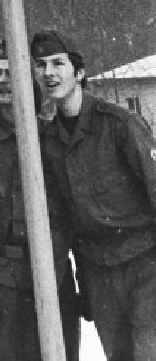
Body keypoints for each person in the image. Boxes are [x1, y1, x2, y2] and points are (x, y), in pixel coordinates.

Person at [32, 27, 156, 361]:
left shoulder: (119, 125)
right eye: (41, 65)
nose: (49, 73)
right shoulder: (47, 140)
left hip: (145, 264)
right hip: (97, 269)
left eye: (58, 63)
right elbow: (63, 217)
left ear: (80, 71)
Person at [0, 39, 80, 360]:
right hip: (2, 283)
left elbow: (74, 213)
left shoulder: (52, 138)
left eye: (11, 73)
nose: (2, 80)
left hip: (54, 277)